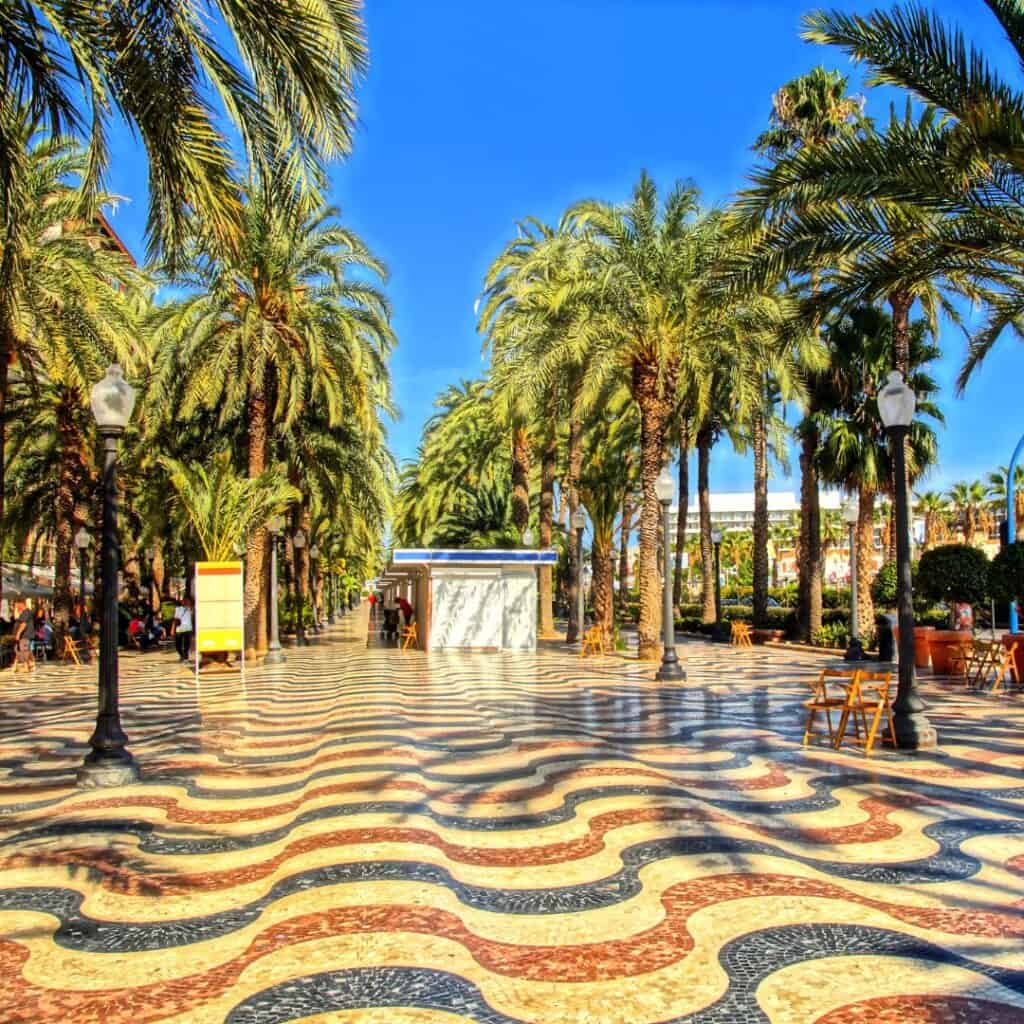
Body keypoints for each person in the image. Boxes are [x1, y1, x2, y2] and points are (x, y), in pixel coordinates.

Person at [11, 599, 35, 671]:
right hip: (24, 636)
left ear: (21, 604)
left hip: (24, 635)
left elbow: (23, 624)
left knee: (24, 650)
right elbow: (17, 619)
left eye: (16, 605)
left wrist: (18, 634)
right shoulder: (24, 612)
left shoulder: (26, 612)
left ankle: (26, 666)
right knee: (21, 650)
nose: (16, 607)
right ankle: (29, 665)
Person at [171, 595, 194, 662]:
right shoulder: (178, 609)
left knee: (186, 645)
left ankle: (186, 657)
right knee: (177, 645)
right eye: (184, 600)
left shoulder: (191, 608)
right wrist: (172, 629)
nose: (185, 602)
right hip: (179, 629)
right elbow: (175, 619)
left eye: (187, 600)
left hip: (188, 629)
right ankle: (182, 655)